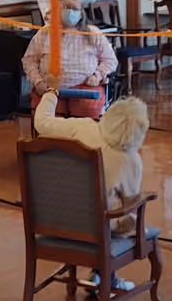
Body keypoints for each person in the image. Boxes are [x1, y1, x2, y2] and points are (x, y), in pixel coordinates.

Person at [34, 90, 150, 290]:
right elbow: (129, 203)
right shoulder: (131, 160)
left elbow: (41, 123)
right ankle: (104, 275)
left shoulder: (81, 127)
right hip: (95, 228)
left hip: (53, 217)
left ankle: (97, 274)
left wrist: (51, 94)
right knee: (126, 219)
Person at [22, 0, 117, 119]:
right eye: (66, 7)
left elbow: (110, 60)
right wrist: (38, 82)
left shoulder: (93, 33)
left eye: (74, 8)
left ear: (81, 13)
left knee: (87, 110)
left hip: (84, 87)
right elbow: (29, 61)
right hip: (50, 87)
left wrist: (97, 76)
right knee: (48, 118)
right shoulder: (44, 33)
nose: (70, 11)